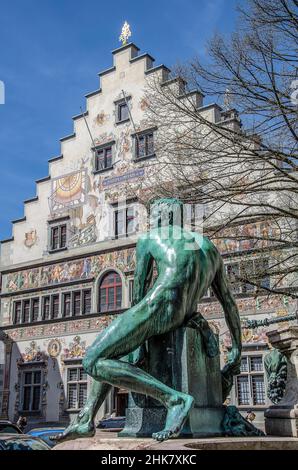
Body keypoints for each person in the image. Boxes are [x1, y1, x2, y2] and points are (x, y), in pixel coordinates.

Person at [56, 198, 241, 443]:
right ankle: (86, 418)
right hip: (183, 314)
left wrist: (139, 341)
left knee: (93, 359)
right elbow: (228, 301)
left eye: (153, 215)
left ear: (159, 217)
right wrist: (238, 346)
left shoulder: (150, 238)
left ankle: (174, 399)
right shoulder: (208, 247)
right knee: (115, 351)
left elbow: (139, 291)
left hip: (157, 307)